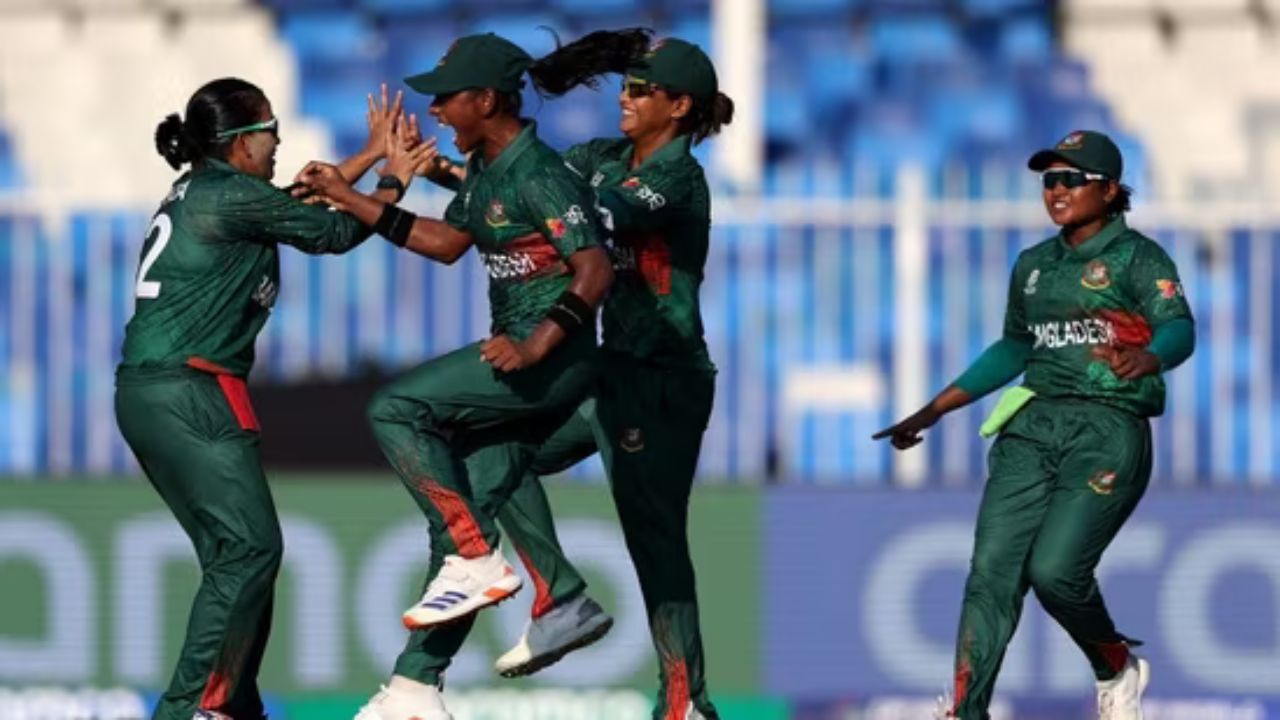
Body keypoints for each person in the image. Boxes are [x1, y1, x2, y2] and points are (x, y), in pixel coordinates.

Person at [293, 31, 647, 720]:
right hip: (532, 361)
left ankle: (476, 556)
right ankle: (433, 676)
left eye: (446, 99)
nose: (435, 111)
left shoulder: (537, 172)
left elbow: (595, 269)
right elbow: (447, 242)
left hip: (550, 362)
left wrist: (536, 345)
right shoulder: (488, 167)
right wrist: (355, 195)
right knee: (480, 495)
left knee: (396, 409)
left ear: (486, 101)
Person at [115, 79, 427, 720]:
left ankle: (232, 704)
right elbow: (332, 232)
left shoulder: (212, 190)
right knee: (251, 551)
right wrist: (393, 181)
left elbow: (288, 206)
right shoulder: (230, 195)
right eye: (270, 128)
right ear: (239, 143)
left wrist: (367, 155)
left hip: (153, 394)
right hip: (192, 394)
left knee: (235, 561)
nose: (279, 139)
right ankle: (192, 708)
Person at [872, 130, 1196, 720]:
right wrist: (934, 409)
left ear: (1110, 189)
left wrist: (1150, 357)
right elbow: (1014, 347)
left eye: (1071, 179)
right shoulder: (1033, 265)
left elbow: (1179, 327)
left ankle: (1115, 664)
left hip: (1108, 428)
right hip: (1031, 428)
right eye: (1049, 180)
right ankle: (966, 710)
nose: (1056, 191)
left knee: (1055, 573)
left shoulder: (1139, 258)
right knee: (990, 574)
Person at [460, 36, 733, 720]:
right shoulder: (603, 156)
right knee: (497, 448)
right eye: (625, 85)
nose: (625, 97)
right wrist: (444, 171)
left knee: (653, 536)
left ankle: (685, 704)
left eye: (641, 90)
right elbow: (530, 198)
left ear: (679, 106)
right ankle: (560, 595)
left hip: (664, 379)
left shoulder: (676, 178)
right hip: (612, 369)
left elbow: (588, 216)